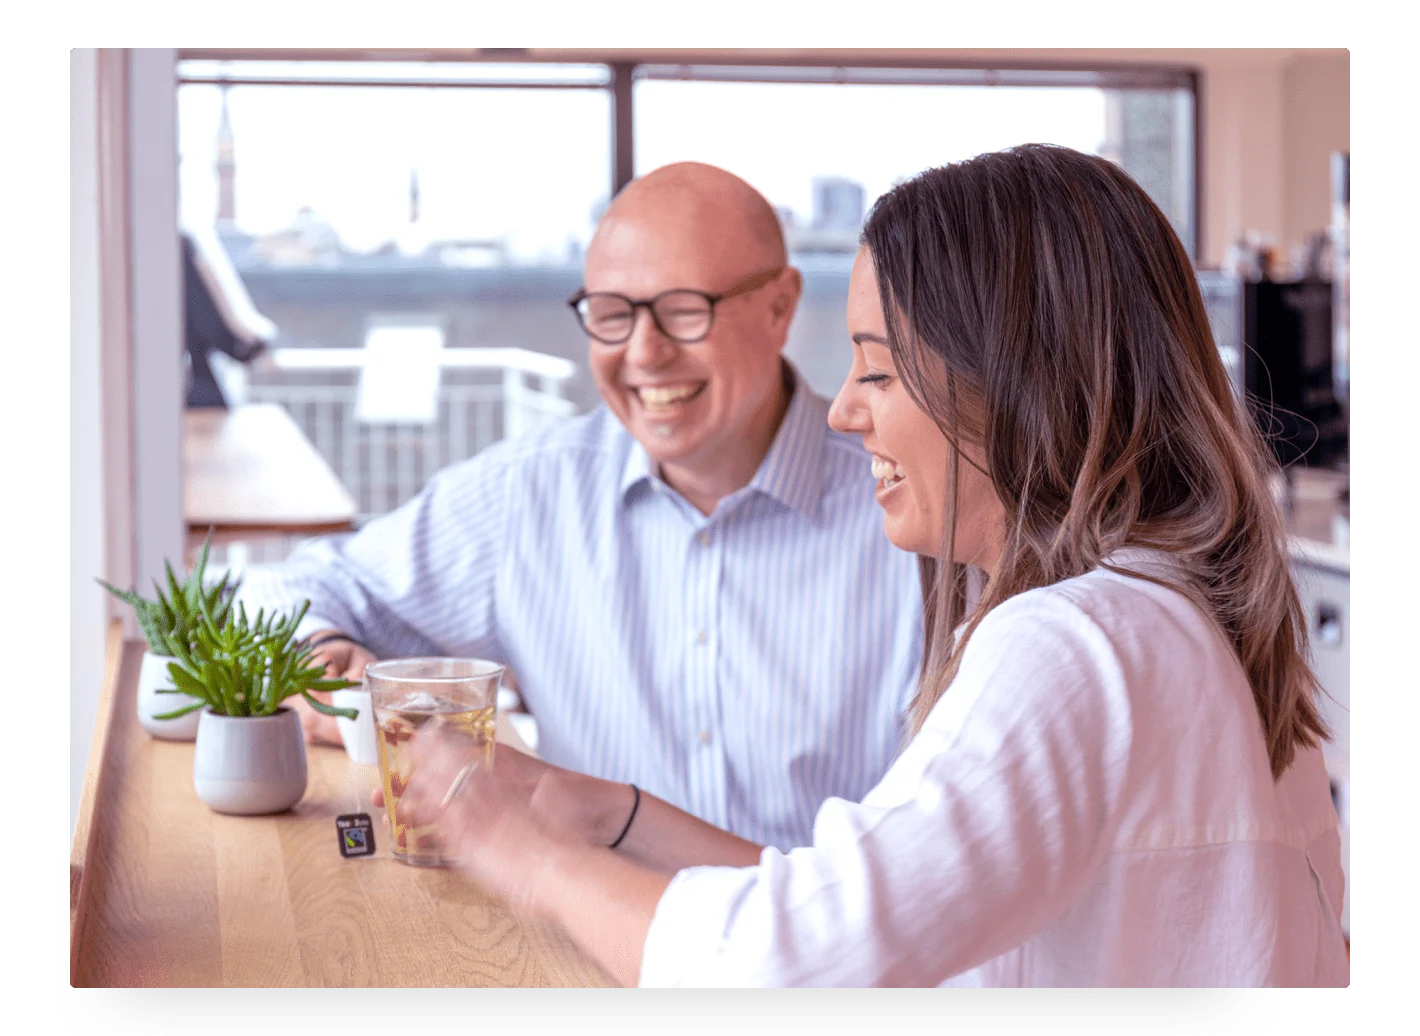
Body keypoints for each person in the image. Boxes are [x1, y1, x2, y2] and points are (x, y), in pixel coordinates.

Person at [396, 145, 1351, 988]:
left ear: (1007, 388)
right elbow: (863, 910)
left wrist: (524, 854)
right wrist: (616, 814)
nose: (846, 412)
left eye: (879, 371)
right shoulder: (1170, 613)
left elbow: (778, 965)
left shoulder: (1070, 648)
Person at [236, 162, 923, 850]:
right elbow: (282, 591)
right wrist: (324, 653)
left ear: (782, 306)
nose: (644, 353)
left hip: (839, 952)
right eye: (612, 315)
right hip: (581, 949)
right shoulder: (531, 496)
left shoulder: (910, 516)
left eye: (685, 310)